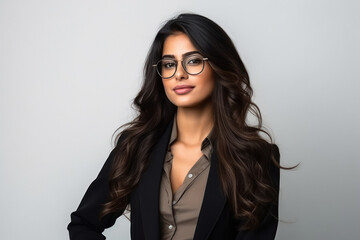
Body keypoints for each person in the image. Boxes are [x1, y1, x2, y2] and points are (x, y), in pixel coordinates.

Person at [68, 13, 281, 240]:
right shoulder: (136, 146)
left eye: (193, 61)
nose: (179, 74)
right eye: (169, 64)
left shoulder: (256, 158)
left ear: (219, 67)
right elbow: (83, 224)